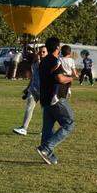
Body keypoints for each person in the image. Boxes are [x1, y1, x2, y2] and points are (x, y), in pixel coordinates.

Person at [36, 37, 75, 165]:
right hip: (55, 98)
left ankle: (48, 155)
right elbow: (59, 78)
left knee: (48, 128)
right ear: (57, 48)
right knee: (69, 123)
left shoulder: (43, 61)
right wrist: (70, 78)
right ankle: (46, 148)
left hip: (45, 98)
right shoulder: (54, 61)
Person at [13, 48, 43, 136]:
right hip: (33, 89)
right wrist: (27, 88)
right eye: (40, 52)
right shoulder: (34, 63)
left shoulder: (46, 63)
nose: (41, 53)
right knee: (29, 108)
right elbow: (33, 77)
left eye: (43, 52)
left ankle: (46, 129)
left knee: (45, 112)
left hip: (44, 91)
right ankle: (24, 128)